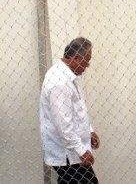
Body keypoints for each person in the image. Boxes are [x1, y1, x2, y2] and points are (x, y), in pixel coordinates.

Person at [39, 37, 100, 184]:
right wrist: (82, 151)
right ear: (76, 58)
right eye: (86, 61)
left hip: (71, 151)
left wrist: (89, 130)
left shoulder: (68, 75)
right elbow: (63, 124)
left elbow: (76, 110)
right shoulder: (59, 82)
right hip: (67, 154)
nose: (87, 66)